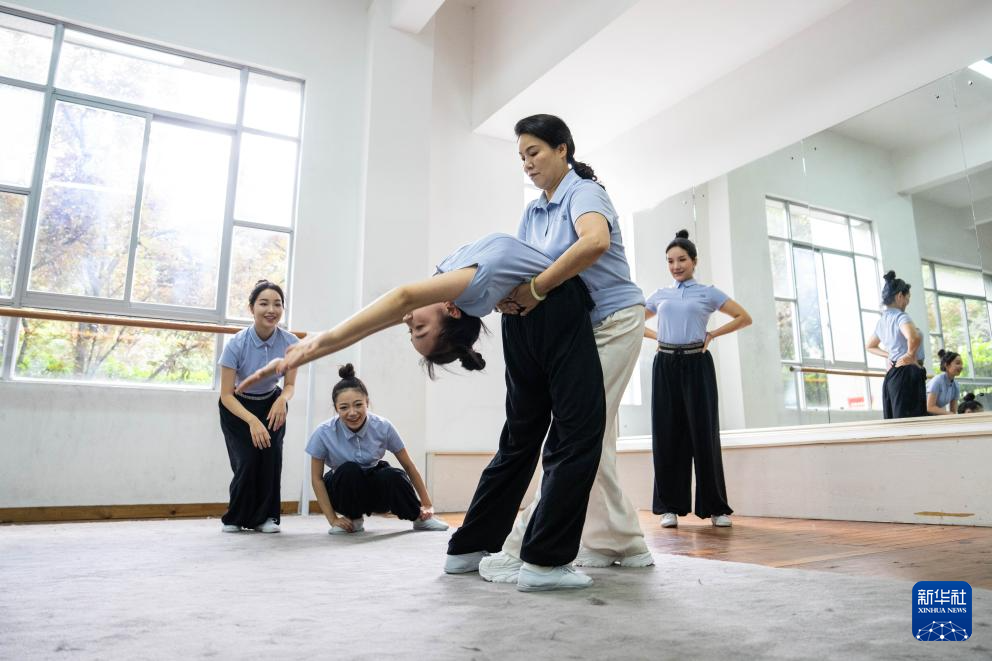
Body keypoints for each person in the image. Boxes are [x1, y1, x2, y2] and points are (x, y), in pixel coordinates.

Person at [237, 233, 606, 592]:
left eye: (414, 329)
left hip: (520, 319)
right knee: (577, 433)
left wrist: (317, 345)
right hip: (551, 305)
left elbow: (392, 311)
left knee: (519, 441)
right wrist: (318, 345)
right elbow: (402, 299)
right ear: (450, 309)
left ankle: (469, 547)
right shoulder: (468, 288)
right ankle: (546, 561)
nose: (408, 321)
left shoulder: (457, 288)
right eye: (418, 328)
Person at [479, 113, 652, 585]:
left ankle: (521, 546)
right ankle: (624, 542)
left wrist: (536, 289)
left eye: (534, 152)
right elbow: (518, 264)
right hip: (573, 330)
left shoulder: (584, 192)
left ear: (562, 150)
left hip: (612, 322)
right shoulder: (533, 212)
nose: (527, 163)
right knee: (595, 438)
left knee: (571, 434)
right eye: (521, 156)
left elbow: (594, 242)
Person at [645, 230, 751, 529]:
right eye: (670, 261)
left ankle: (715, 507)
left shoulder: (708, 293)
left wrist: (713, 334)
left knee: (704, 434)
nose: (676, 266)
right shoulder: (660, 295)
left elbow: (744, 317)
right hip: (665, 364)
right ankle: (669, 507)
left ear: (694, 261)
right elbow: (632, 321)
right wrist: (657, 336)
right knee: (667, 435)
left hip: (697, 363)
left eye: (681, 260)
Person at [306, 364, 448, 534]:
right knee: (349, 470)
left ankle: (420, 518)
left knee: (393, 475)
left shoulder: (383, 426)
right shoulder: (323, 432)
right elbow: (316, 479)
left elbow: (409, 466)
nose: (352, 412)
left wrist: (427, 504)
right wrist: (333, 519)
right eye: (344, 407)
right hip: (343, 489)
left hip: (375, 489)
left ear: (367, 402)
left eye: (358, 405)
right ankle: (353, 520)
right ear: (336, 408)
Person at [218, 280, 298, 533]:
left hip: (273, 403)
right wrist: (252, 421)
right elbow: (226, 395)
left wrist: (282, 400)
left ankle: (267, 517)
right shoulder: (236, 344)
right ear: (251, 308)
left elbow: (289, 385)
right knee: (248, 460)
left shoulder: (291, 342)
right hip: (237, 407)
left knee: (271, 459)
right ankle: (235, 517)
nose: (271, 310)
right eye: (264, 303)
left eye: (277, 304)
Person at [866, 271, 926, 419]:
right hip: (907, 375)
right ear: (900, 296)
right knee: (913, 423)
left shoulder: (882, 321)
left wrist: (892, 356)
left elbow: (870, 346)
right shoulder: (900, 317)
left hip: (894, 375)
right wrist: (909, 355)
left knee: (898, 420)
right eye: (907, 298)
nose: (907, 302)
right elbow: (914, 338)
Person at [926, 349, 962, 415]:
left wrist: (952, 415)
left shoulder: (956, 386)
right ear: (947, 365)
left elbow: (953, 411)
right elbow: (930, 407)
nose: (961, 366)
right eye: (957, 363)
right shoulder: (937, 380)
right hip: (918, 414)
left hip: (933, 416)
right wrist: (949, 414)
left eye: (961, 364)